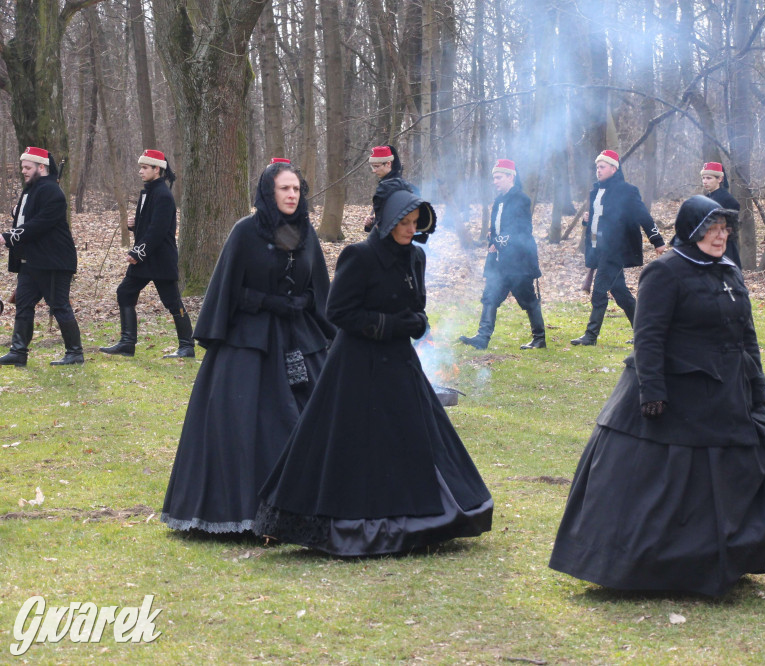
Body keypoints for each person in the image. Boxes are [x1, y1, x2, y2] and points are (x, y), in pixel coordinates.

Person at [549, 195, 765, 596]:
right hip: (674, 394)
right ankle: (653, 568)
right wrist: (652, 391)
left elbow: (748, 338)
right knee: (666, 487)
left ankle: (720, 560)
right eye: (712, 230)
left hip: (726, 394)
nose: (720, 237)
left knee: (742, 477)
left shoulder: (730, 272)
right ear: (692, 231)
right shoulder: (665, 271)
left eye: (725, 230)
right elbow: (649, 335)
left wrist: (758, 394)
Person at [255, 189, 493, 557]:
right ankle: (356, 523)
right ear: (387, 221)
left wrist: (417, 323)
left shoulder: (415, 256)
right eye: (404, 223)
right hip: (357, 365)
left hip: (399, 363)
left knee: (411, 436)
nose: (409, 230)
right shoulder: (359, 256)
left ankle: (418, 517)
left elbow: (417, 304)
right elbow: (338, 311)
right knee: (354, 441)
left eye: (415, 224)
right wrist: (391, 325)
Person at [161, 161, 335, 534]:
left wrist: (308, 311)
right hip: (251, 342)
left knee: (315, 417)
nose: (292, 195)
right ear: (268, 192)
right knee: (246, 423)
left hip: (299, 339)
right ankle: (245, 513)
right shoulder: (245, 231)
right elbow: (228, 288)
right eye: (284, 189)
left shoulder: (306, 232)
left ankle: (308, 508)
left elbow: (318, 288)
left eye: (296, 189)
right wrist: (265, 302)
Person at [99, 149, 194, 359]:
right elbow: (149, 225)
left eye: (144, 168)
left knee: (173, 302)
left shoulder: (163, 195)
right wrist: (135, 225)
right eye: (140, 167)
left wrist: (137, 252)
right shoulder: (148, 192)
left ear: (156, 170)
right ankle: (127, 343)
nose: (140, 172)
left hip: (160, 259)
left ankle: (187, 346)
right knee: (125, 292)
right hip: (145, 259)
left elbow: (158, 231)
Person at [0, 147, 83, 367]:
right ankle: (18, 351)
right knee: (24, 304)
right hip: (32, 261)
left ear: (41, 167)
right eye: (22, 167)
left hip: (54, 261)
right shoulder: (32, 189)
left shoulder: (52, 191)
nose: (23, 171)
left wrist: (7, 237)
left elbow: (40, 224)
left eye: (27, 167)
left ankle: (75, 353)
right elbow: (28, 217)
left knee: (59, 305)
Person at [573, 149, 666, 346]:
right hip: (599, 249)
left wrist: (656, 240)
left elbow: (643, 216)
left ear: (614, 169)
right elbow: (596, 220)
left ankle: (590, 336)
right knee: (621, 294)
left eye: (602, 167)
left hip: (615, 250)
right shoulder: (595, 191)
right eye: (597, 167)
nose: (598, 171)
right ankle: (645, 333)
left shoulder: (627, 191)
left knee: (599, 291)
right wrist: (585, 221)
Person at [459, 159, 545, 350]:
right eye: (494, 178)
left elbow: (521, 230)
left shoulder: (522, 200)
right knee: (490, 296)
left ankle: (539, 339)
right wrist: (493, 237)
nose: (495, 181)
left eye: (498, 177)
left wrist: (498, 242)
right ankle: (482, 337)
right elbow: (496, 227)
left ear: (510, 177)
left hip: (518, 262)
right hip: (499, 262)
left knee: (528, 299)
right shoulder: (499, 200)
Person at [363, 145, 418, 234]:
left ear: (388, 164)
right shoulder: (386, 185)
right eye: (372, 167)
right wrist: (371, 224)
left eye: (376, 166)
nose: (374, 171)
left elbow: (394, 224)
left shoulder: (395, 188)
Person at [700, 161, 742, 267]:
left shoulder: (728, 200)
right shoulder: (707, 198)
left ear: (720, 179)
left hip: (724, 249)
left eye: (709, 178)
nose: (705, 181)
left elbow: (731, 229)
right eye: (703, 178)